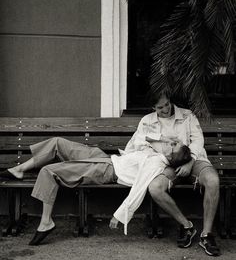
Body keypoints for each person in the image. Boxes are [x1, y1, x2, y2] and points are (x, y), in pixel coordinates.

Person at [0, 118, 191, 245]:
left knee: (48, 171)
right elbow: (141, 136)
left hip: (105, 170)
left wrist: (120, 215)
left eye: (174, 145)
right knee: (57, 142)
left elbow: (139, 190)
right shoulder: (159, 151)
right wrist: (165, 138)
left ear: (171, 155)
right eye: (174, 142)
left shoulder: (156, 164)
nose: (172, 142)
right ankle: (19, 169)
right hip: (104, 158)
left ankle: (46, 221)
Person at [145, 92, 221, 257]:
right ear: (153, 108)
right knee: (155, 188)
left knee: (213, 181)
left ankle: (206, 235)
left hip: (194, 160)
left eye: (167, 104)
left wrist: (190, 161)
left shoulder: (187, 115)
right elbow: (140, 142)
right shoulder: (147, 121)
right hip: (169, 163)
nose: (165, 109)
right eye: (160, 107)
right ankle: (187, 226)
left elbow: (198, 140)